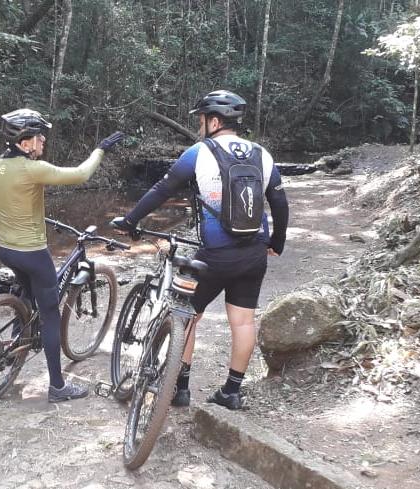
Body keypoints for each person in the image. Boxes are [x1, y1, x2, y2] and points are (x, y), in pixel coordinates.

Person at [111, 90, 288, 410]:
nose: (200, 126)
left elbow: (162, 189)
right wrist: (275, 244)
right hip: (253, 253)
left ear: (215, 121)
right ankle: (231, 392)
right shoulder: (262, 154)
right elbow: (279, 202)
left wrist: (130, 220)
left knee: (187, 316)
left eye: (203, 120)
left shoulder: (199, 152)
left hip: (215, 255)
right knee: (244, 322)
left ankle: (180, 388)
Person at [0, 108, 124, 403]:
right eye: (39, 137)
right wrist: (100, 149)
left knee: (27, 295)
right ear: (25, 143)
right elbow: (81, 174)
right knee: (50, 316)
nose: (43, 140)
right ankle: (58, 387)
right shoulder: (32, 169)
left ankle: (17, 340)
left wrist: (9, 234)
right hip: (33, 252)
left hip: (7, 249)